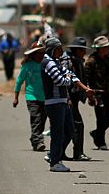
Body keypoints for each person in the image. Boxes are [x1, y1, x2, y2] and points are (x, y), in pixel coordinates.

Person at [40, 37, 95, 172]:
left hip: (62, 102)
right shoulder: (48, 63)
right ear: (52, 49)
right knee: (58, 133)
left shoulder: (56, 61)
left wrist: (84, 88)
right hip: (54, 103)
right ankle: (55, 162)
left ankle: (53, 155)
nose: (61, 52)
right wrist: (68, 79)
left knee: (70, 131)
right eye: (58, 49)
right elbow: (60, 81)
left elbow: (70, 74)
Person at [85, 36, 109, 150]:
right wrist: (89, 94)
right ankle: (101, 142)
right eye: (105, 47)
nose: (107, 49)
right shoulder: (91, 61)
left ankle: (96, 133)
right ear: (100, 48)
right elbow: (86, 79)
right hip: (97, 93)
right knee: (100, 116)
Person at [12, 42, 46, 152]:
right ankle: (38, 141)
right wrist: (16, 97)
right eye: (38, 53)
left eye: (42, 53)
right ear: (33, 54)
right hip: (31, 97)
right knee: (36, 118)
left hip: (45, 97)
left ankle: (35, 138)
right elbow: (19, 81)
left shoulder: (46, 64)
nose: (41, 55)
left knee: (42, 120)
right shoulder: (27, 66)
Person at [62, 37, 91, 161]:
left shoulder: (78, 61)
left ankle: (59, 152)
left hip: (74, 98)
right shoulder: (67, 61)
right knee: (77, 126)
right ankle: (78, 153)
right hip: (68, 99)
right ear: (76, 50)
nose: (84, 52)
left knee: (69, 128)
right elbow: (64, 81)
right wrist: (67, 97)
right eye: (82, 50)